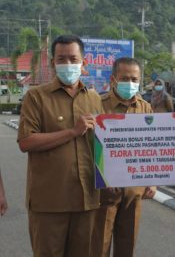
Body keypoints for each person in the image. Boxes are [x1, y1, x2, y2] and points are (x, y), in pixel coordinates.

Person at [17, 35, 104, 257]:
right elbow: (26, 141)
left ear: (84, 63)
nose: (68, 64)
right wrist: (72, 132)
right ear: (53, 63)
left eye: (73, 58)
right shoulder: (36, 97)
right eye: (61, 59)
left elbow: (104, 145)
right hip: (49, 203)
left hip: (87, 201)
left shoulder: (94, 99)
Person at [97, 57, 156, 257]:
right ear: (113, 79)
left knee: (127, 247)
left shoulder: (145, 107)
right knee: (99, 246)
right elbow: (88, 147)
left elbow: (151, 146)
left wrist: (153, 181)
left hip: (134, 191)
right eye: (125, 78)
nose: (130, 84)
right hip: (104, 192)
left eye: (134, 79)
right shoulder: (98, 105)